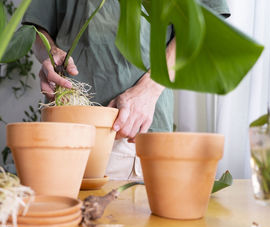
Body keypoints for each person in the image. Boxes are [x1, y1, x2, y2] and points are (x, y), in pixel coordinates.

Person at [22, 0, 230, 179]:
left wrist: (149, 89)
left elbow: (207, 20)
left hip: (132, 127)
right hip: (63, 128)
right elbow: (37, 26)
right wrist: (50, 53)